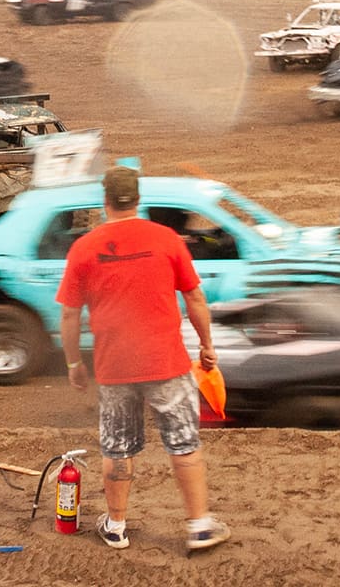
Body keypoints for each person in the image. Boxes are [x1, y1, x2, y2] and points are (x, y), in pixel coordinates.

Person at [57, 167, 229, 554]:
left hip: (115, 367)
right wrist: (207, 345)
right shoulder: (166, 239)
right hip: (166, 361)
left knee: (117, 448)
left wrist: (73, 364)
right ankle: (199, 527)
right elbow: (196, 299)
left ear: (105, 203)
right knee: (184, 444)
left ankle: (116, 526)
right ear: (137, 199)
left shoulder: (85, 247)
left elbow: (69, 314)